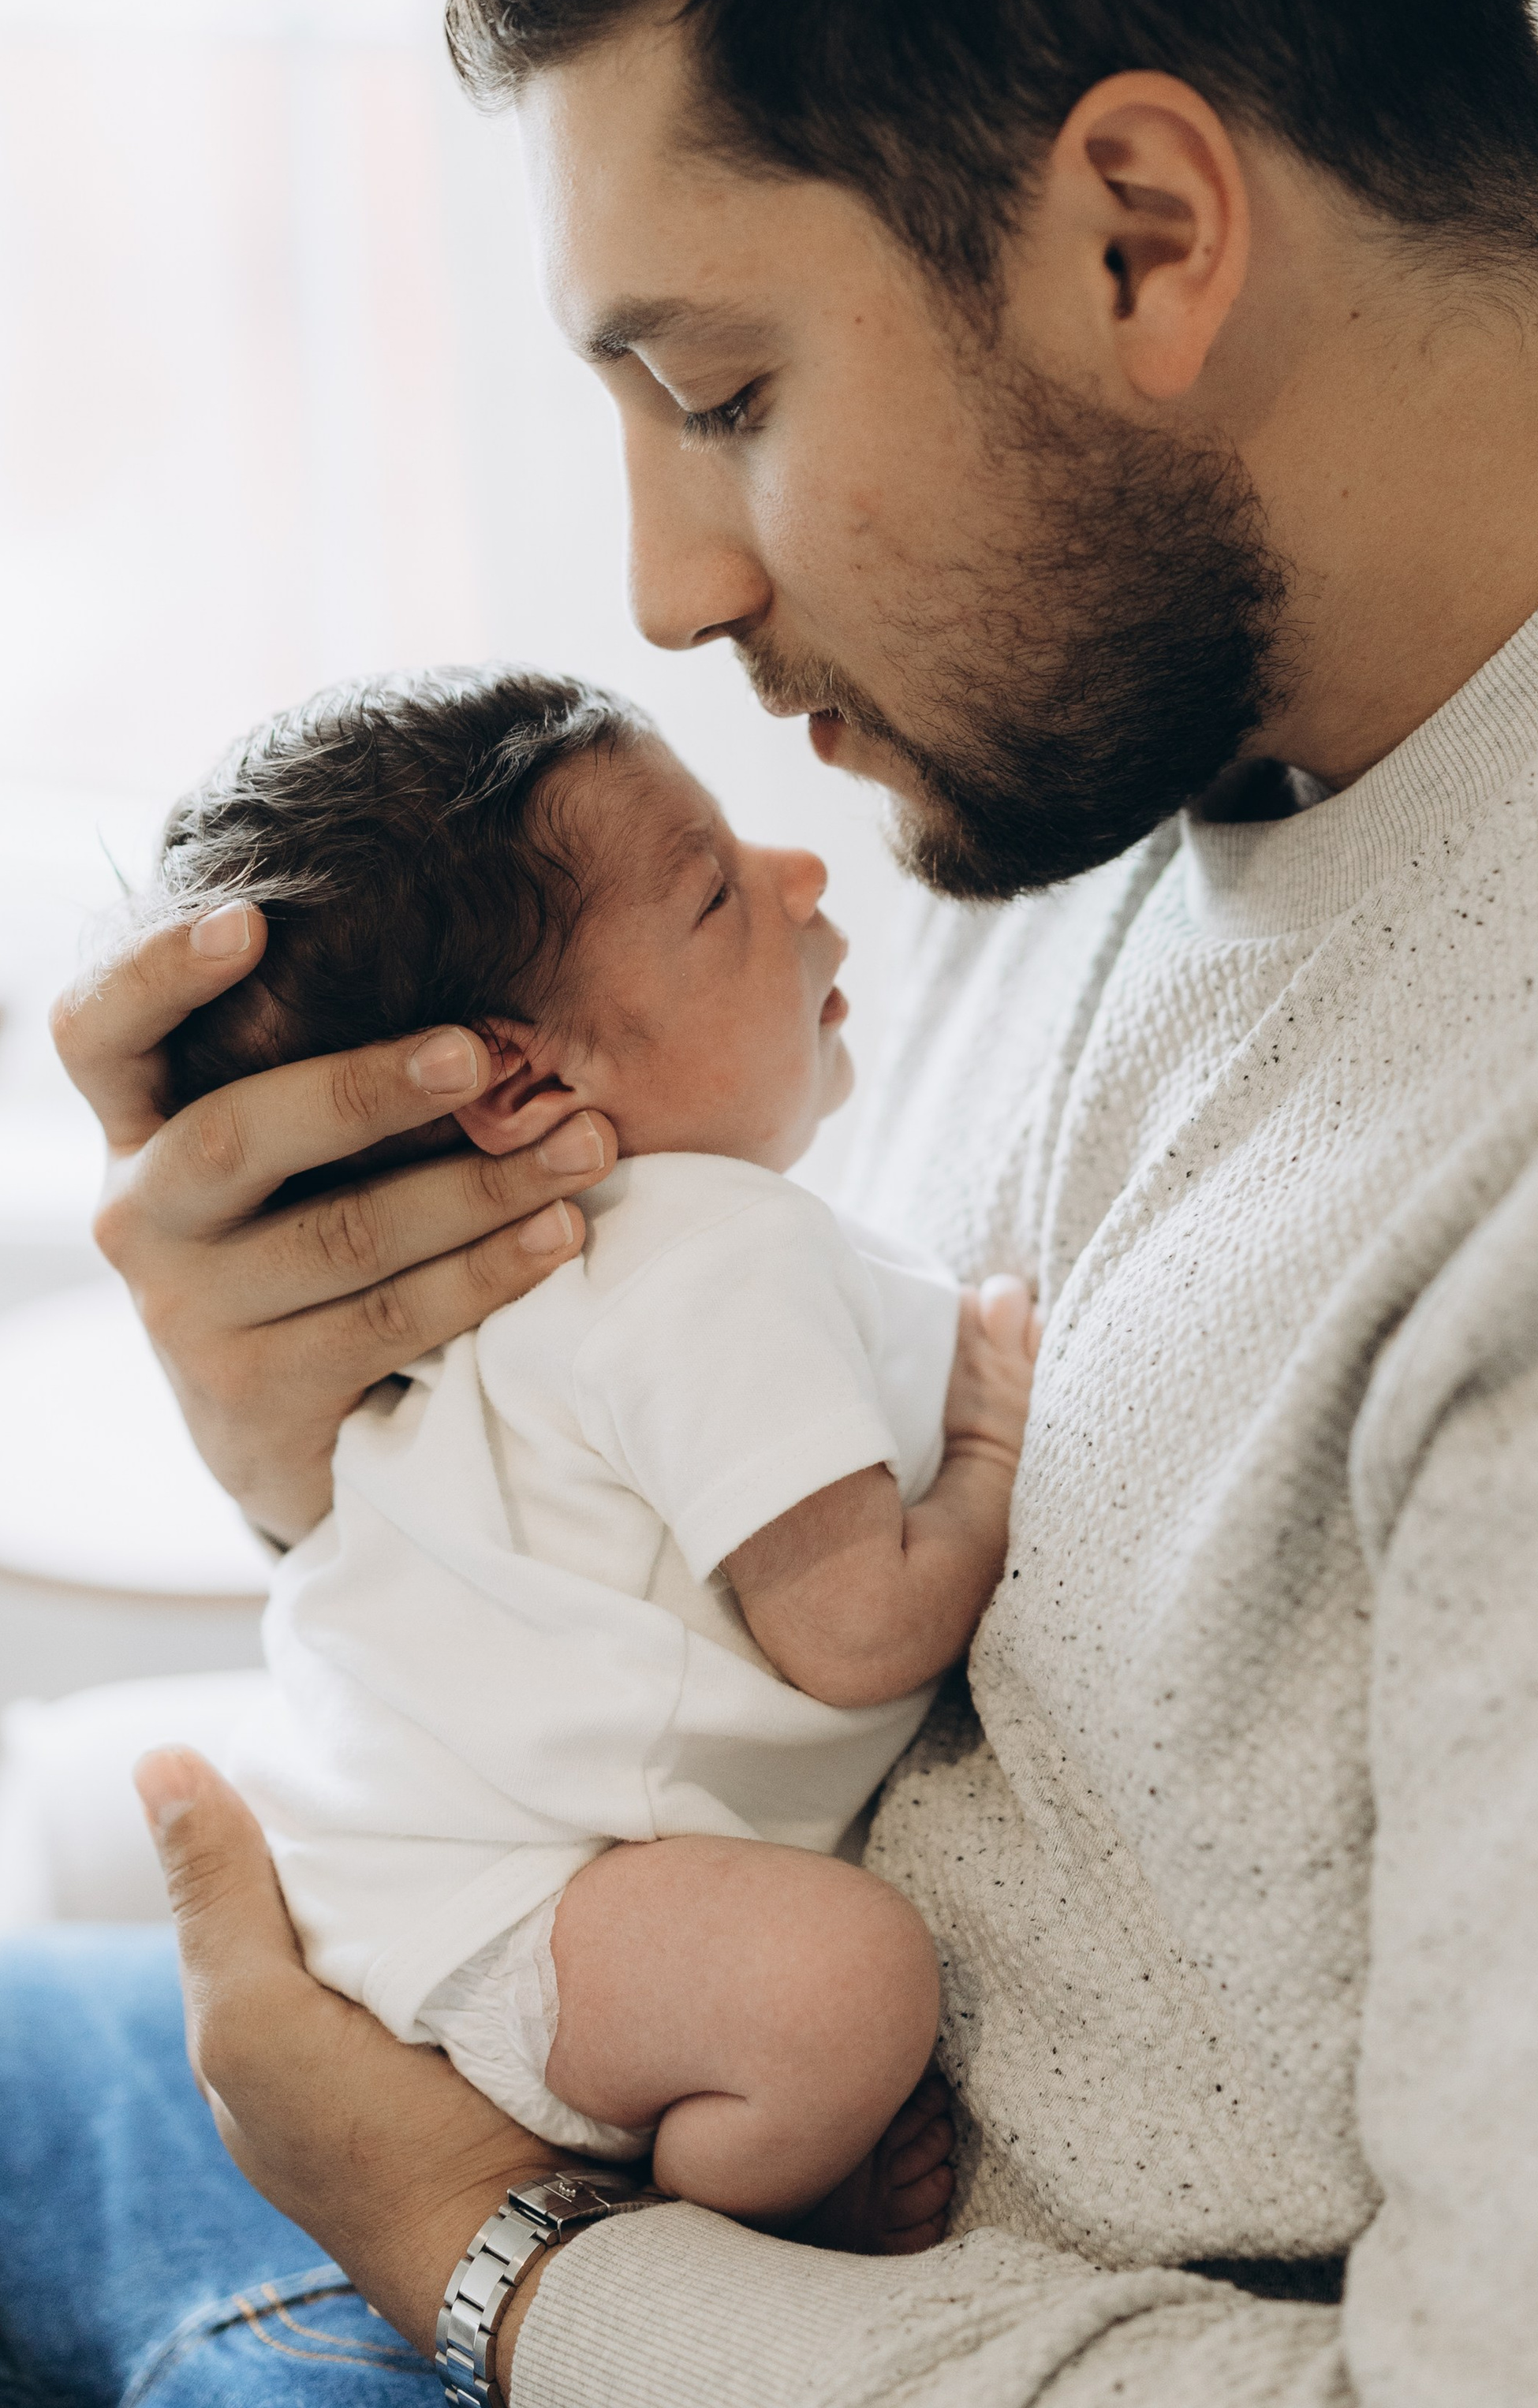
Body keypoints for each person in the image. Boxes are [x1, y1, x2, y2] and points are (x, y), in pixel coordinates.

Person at [0, 0, 1538, 2408]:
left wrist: (502, 2262)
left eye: (721, 393)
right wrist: (326, 1428)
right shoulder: (1169, 659)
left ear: (1144, 236)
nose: (669, 591)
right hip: (573, 2088)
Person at [151, 661, 1031, 2242]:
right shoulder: (704, 1257)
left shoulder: (575, 1256)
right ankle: (721, 2221)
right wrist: (987, 1441)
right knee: (841, 1984)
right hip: (504, 1894)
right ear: (529, 1084)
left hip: (411, 1865)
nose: (797, 873)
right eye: (711, 894)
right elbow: (859, 1629)